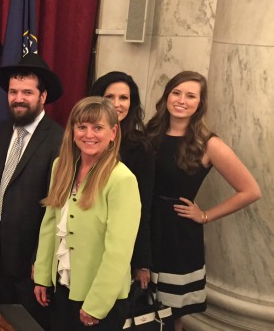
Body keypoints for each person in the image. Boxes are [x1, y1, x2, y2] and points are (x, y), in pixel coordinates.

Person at [145, 71, 260, 331]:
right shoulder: (151, 131)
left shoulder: (208, 144)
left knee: (173, 310)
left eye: (190, 95)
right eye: (176, 92)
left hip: (178, 231)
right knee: (144, 302)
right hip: (146, 224)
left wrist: (205, 215)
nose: (181, 100)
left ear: (200, 103)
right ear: (167, 96)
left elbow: (251, 190)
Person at [34, 96, 141, 330]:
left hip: (99, 298)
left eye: (98, 128)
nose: (88, 134)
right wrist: (42, 275)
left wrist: (96, 304)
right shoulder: (60, 166)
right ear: (72, 131)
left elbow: (119, 252)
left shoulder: (122, 179)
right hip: (62, 288)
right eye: (82, 127)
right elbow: (50, 224)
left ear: (113, 132)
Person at [0, 53, 64, 330]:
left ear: (42, 96)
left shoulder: (58, 139)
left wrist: (40, 260)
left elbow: (56, 206)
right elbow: (3, 186)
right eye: (13, 92)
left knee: (30, 323)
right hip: (4, 250)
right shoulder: (4, 131)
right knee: (6, 319)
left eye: (27, 92)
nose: (18, 98)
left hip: (34, 260)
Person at [88, 72, 154, 289]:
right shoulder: (84, 140)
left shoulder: (140, 147)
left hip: (118, 246)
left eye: (123, 98)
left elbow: (143, 206)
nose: (116, 104)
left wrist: (142, 261)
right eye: (109, 97)